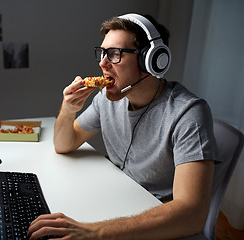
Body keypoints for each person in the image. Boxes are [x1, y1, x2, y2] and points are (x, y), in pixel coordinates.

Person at [28, 13, 219, 240]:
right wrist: (68, 110)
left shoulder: (187, 113)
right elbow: (64, 144)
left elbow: (193, 215)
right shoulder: (106, 99)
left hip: (160, 226)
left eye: (114, 54)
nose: (102, 63)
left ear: (151, 61)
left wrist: (95, 232)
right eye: (102, 53)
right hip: (118, 203)